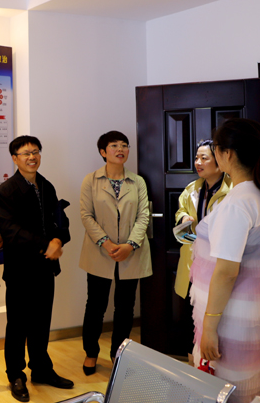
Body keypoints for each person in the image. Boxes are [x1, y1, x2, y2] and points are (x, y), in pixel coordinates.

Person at [190, 118, 260, 403]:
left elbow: (226, 272)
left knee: (229, 390)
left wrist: (209, 327)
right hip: (255, 315)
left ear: (227, 154)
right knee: (253, 387)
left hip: (232, 318)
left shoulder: (237, 203)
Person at [0, 135, 74, 403]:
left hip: (45, 267)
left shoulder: (46, 185)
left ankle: (41, 369)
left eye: (36, 152)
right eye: (26, 153)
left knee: (41, 322)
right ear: (14, 158)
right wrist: (45, 243)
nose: (32, 157)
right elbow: (11, 231)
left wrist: (59, 239)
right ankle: (16, 375)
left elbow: (59, 219)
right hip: (20, 269)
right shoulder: (5, 191)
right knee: (17, 325)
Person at [78, 131, 150, 376]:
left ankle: (118, 354)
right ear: (103, 152)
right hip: (100, 252)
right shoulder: (91, 180)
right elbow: (86, 215)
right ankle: (90, 352)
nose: (121, 149)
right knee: (95, 305)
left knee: (125, 307)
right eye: (114, 145)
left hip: (131, 253)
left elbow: (143, 216)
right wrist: (106, 243)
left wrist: (130, 245)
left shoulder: (137, 182)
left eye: (124, 145)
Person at [174, 140, 232, 300]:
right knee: (192, 307)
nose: (198, 163)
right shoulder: (191, 189)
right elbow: (181, 210)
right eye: (196, 158)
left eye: (204, 158)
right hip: (193, 259)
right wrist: (183, 218)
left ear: (219, 161)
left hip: (219, 263)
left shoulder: (232, 190)